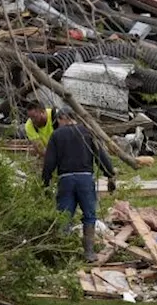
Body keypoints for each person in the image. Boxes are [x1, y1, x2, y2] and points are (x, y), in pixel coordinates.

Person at [42, 110, 116, 261]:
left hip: (66, 180)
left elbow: (49, 161)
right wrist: (109, 174)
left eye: (58, 121)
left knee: (64, 216)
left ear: (62, 118)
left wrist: (46, 182)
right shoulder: (87, 132)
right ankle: (89, 253)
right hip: (85, 179)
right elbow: (100, 155)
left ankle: (63, 253)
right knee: (89, 215)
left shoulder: (57, 135)